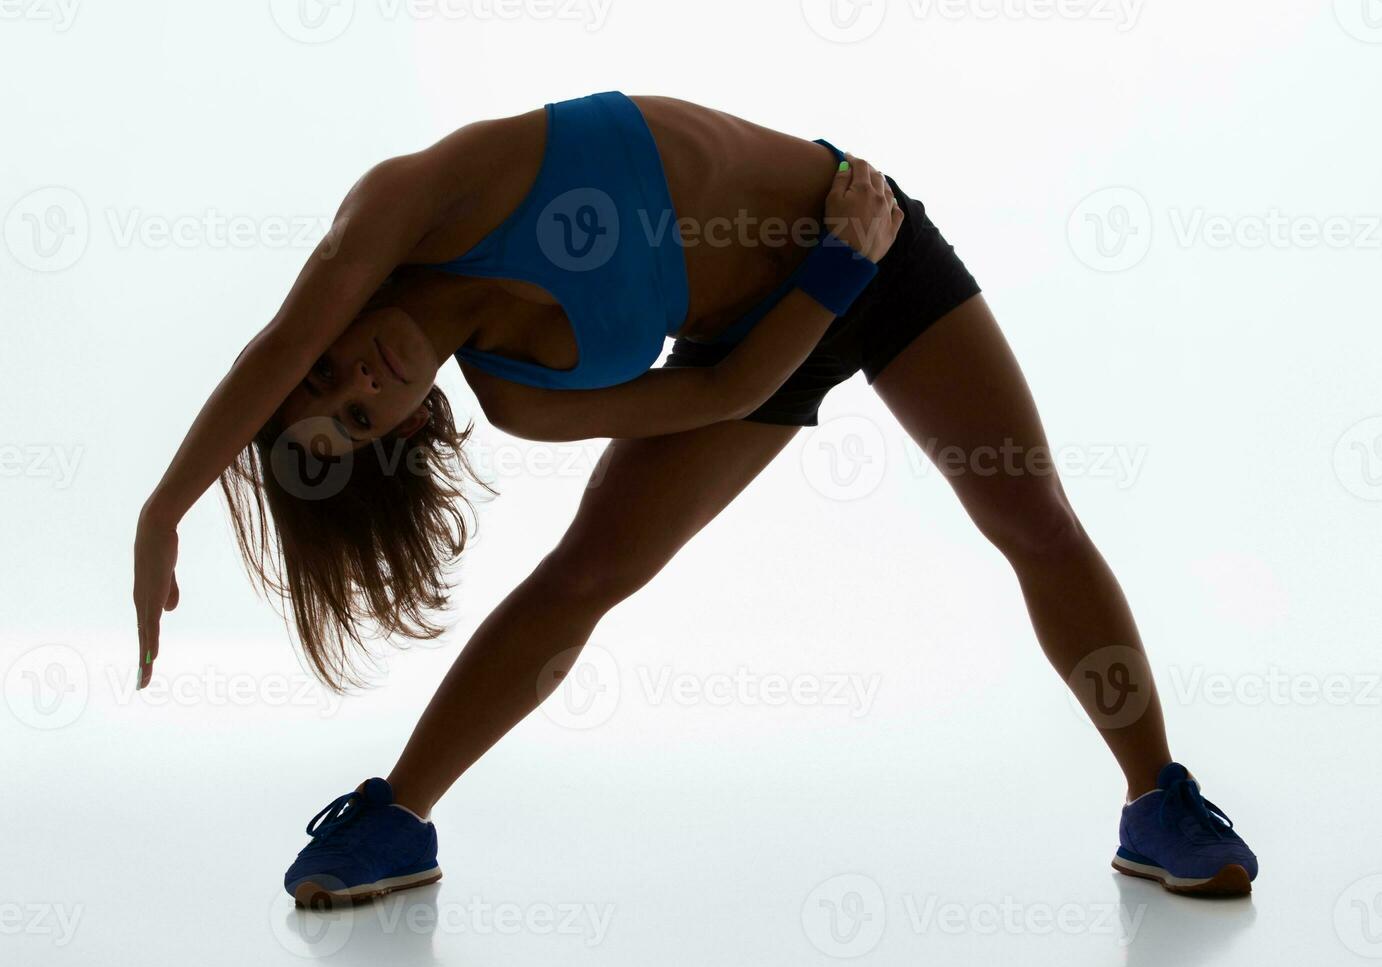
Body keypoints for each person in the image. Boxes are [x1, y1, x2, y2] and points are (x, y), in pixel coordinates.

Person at [131, 92, 1257, 907]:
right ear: (413, 425)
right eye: (360, 415)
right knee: (586, 573)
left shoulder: (414, 203)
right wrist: (830, 277)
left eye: (324, 375)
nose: (355, 381)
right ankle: (398, 814)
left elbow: (280, 335)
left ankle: (1157, 795)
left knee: (1032, 518)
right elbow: (725, 386)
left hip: (870, 233)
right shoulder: (520, 399)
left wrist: (164, 507)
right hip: (782, 325)